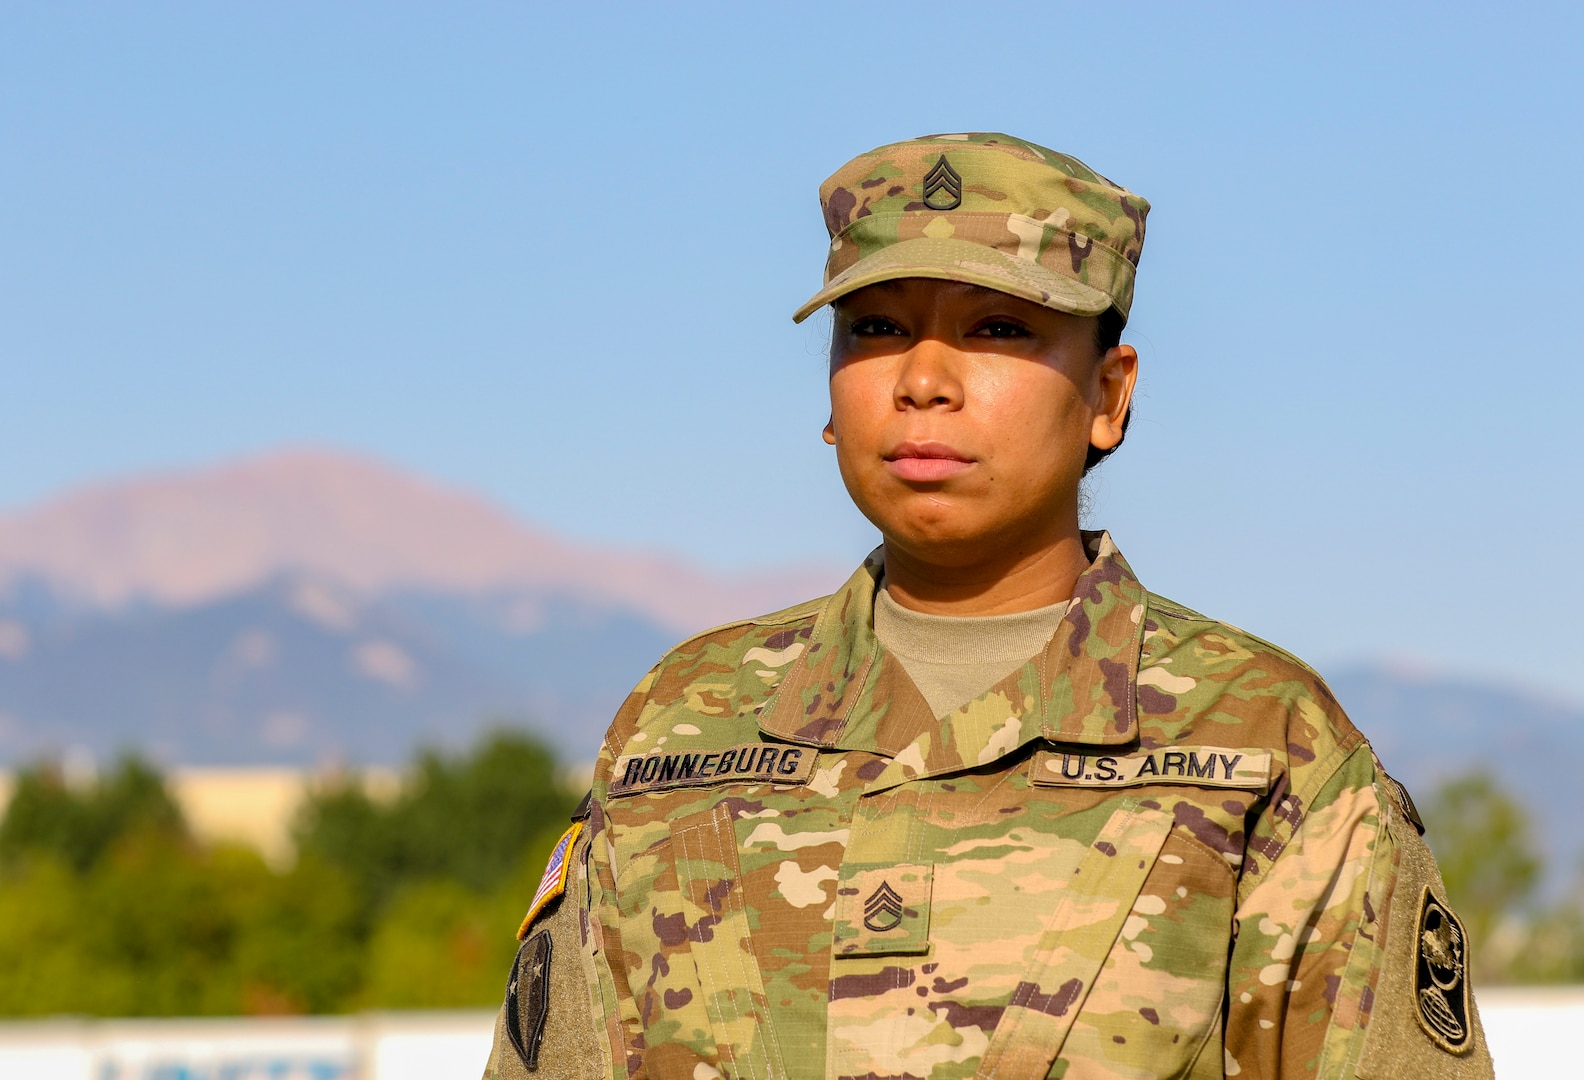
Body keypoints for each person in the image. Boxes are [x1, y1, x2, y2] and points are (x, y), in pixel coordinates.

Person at [485, 133, 1493, 1080]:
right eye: (875, 329)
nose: (923, 380)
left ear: (1108, 394)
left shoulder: (1264, 742)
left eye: (999, 327)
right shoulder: (682, 725)